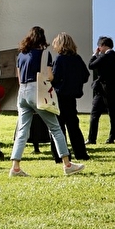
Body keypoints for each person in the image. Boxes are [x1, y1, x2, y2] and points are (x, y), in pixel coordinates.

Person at [9, 26, 84, 177]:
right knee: (55, 128)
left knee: (22, 131)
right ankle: (67, 164)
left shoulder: (20, 55)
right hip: (36, 91)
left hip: (22, 92)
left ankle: (15, 167)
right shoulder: (44, 54)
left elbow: (19, 78)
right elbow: (49, 77)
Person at [49, 33, 90, 161]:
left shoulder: (59, 59)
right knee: (73, 126)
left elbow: (54, 78)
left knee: (58, 127)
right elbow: (85, 75)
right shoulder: (77, 58)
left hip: (60, 95)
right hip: (72, 97)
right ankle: (81, 153)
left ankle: (60, 155)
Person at [86, 37, 115, 145]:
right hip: (114, 90)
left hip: (102, 90)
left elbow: (91, 65)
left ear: (102, 45)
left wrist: (95, 55)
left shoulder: (104, 57)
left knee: (95, 114)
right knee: (113, 114)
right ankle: (112, 137)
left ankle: (91, 138)